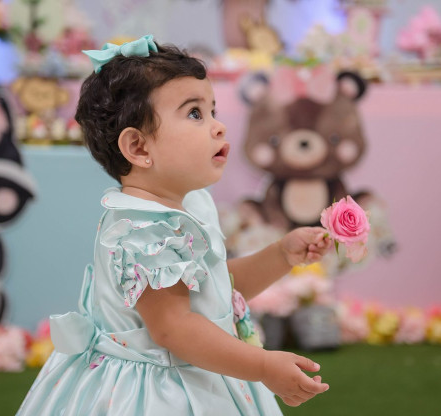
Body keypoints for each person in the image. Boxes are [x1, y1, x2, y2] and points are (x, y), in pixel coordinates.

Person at [17, 35, 332, 416]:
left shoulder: (190, 205)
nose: (218, 127)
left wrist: (281, 254)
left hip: (204, 369)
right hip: (162, 392)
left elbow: (215, 291)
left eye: (213, 111)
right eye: (195, 114)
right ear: (139, 148)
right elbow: (174, 327)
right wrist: (262, 366)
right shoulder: (142, 230)